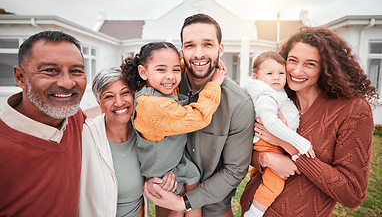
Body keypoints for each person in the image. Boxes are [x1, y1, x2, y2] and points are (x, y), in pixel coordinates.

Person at [240, 27, 377, 217]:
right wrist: (265, 159)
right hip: (250, 207)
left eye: (310, 64)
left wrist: (290, 147)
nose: (297, 71)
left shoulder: (353, 110)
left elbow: (352, 193)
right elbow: (244, 150)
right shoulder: (277, 97)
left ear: (327, 67)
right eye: (292, 61)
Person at [144, 14, 255, 217]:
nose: (199, 53)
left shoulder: (239, 104)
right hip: (167, 200)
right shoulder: (160, 89)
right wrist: (148, 176)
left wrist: (185, 202)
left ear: (220, 49)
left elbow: (235, 171)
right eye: (190, 45)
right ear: (182, 50)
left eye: (207, 44)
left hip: (215, 208)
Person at [121, 41, 226, 217]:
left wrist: (199, 59)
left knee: (193, 190)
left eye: (176, 70)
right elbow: (198, 117)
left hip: (175, 160)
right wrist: (214, 85)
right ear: (143, 72)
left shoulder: (158, 87)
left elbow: (172, 66)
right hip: (161, 170)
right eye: (161, 70)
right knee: (176, 209)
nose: (170, 76)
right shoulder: (152, 104)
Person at [0, 31, 87, 216]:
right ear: (20, 78)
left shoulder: (74, 118)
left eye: (76, 71)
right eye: (50, 71)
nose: (68, 83)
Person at [242, 51, 315, 217]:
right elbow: (271, 123)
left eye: (281, 73)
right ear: (256, 77)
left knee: (261, 176)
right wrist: (300, 143)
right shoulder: (265, 96)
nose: (276, 77)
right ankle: (253, 213)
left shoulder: (275, 93)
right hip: (267, 144)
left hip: (269, 144)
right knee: (274, 184)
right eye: (269, 73)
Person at [79, 67, 149, 217]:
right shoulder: (87, 135)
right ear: (100, 103)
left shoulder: (143, 131)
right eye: (109, 96)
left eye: (125, 93)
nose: (119, 102)